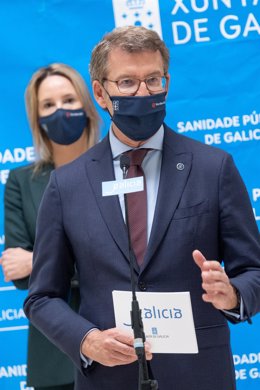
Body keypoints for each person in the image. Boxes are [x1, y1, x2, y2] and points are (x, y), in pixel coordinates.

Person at [23, 27, 260, 390]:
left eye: (153, 80)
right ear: (101, 93)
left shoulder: (214, 167)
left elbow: (253, 271)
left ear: (167, 81)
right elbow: (42, 297)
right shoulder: (67, 185)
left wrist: (233, 294)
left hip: (199, 376)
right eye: (128, 83)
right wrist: (87, 341)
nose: (144, 92)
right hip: (109, 378)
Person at [0, 63, 100, 390]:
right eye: (48, 104)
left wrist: (40, 259)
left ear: (87, 105)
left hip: (121, 336)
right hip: (54, 350)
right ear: (37, 117)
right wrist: (90, 259)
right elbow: (19, 274)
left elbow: (134, 258)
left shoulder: (121, 170)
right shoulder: (20, 182)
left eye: (69, 100)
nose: (60, 111)